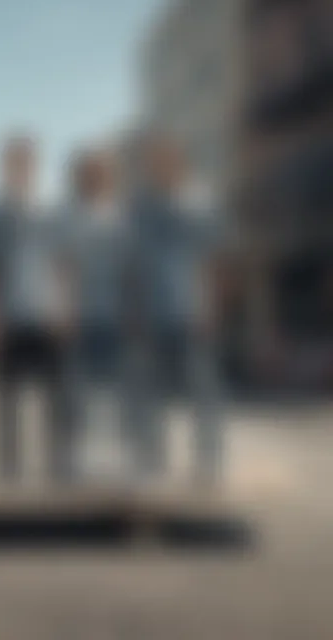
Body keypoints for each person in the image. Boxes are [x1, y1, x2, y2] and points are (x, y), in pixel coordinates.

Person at [0, 134, 72, 484]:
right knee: (6, 403)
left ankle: (57, 470)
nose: (20, 169)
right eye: (13, 162)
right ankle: (9, 472)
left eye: (26, 162)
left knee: (54, 402)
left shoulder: (52, 214)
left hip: (46, 318)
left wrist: (63, 308)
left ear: (35, 166)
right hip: (6, 321)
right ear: (3, 167)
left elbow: (63, 266)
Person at [126, 130, 225, 487]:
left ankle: (209, 463)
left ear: (180, 164)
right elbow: (131, 264)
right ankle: (152, 462)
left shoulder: (200, 203)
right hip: (152, 312)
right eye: (154, 163)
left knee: (204, 389)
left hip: (192, 311)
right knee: (149, 392)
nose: (160, 168)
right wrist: (133, 311)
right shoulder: (140, 208)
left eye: (167, 161)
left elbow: (214, 261)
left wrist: (212, 306)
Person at [60, 148, 129, 479]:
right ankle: (78, 459)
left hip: (114, 315)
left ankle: (113, 457)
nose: (95, 178)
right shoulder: (70, 217)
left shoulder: (121, 216)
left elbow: (131, 270)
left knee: (113, 387)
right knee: (78, 389)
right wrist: (66, 310)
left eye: (101, 171)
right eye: (89, 172)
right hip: (81, 315)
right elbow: (64, 267)